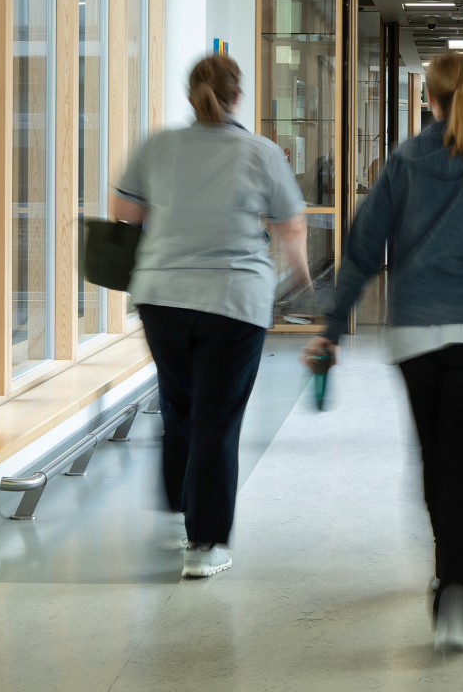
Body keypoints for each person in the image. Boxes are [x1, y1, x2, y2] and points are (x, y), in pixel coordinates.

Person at [303, 53, 463, 653]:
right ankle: (457, 597)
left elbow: (363, 248)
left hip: (416, 338)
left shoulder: (404, 161)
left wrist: (333, 326)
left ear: (430, 99)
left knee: (434, 459)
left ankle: (449, 574)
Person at [112, 53, 310, 580]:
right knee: (217, 419)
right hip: (232, 300)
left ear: (190, 93)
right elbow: (291, 226)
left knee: (180, 404)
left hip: (163, 297)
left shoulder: (158, 147)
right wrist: (303, 281)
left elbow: (124, 212)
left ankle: (179, 512)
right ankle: (204, 545)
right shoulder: (260, 152)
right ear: (237, 96)